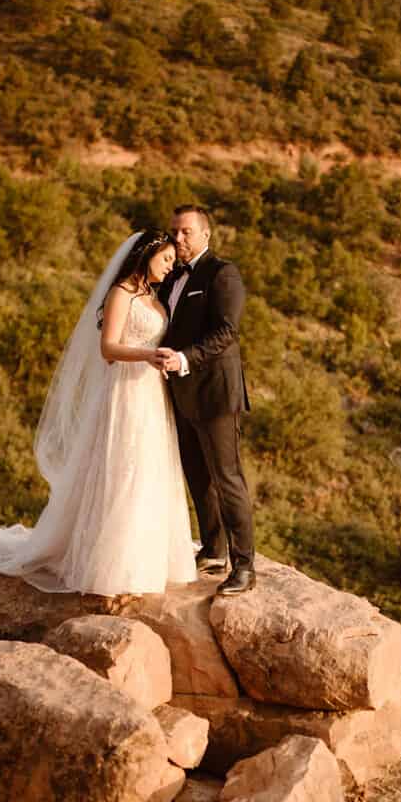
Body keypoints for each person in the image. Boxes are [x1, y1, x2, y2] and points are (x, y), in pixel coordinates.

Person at [0, 229, 197, 597]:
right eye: (166, 259)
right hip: (124, 389)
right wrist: (146, 355)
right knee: (121, 467)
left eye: (173, 261)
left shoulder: (153, 297)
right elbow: (108, 348)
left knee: (146, 468)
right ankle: (110, 561)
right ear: (146, 255)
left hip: (150, 393)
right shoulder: (121, 293)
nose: (171, 266)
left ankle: (145, 556)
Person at [156, 204, 255, 596]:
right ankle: (214, 550)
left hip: (215, 392)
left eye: (186, 232)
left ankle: (245, 566)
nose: (178, 239)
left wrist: (183, 358)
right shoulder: (170, 276)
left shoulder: (221, 273)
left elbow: (227, 331)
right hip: (180, 393)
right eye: (174, 232)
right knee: (197, 476)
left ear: (205, 235)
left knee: (227, 479)